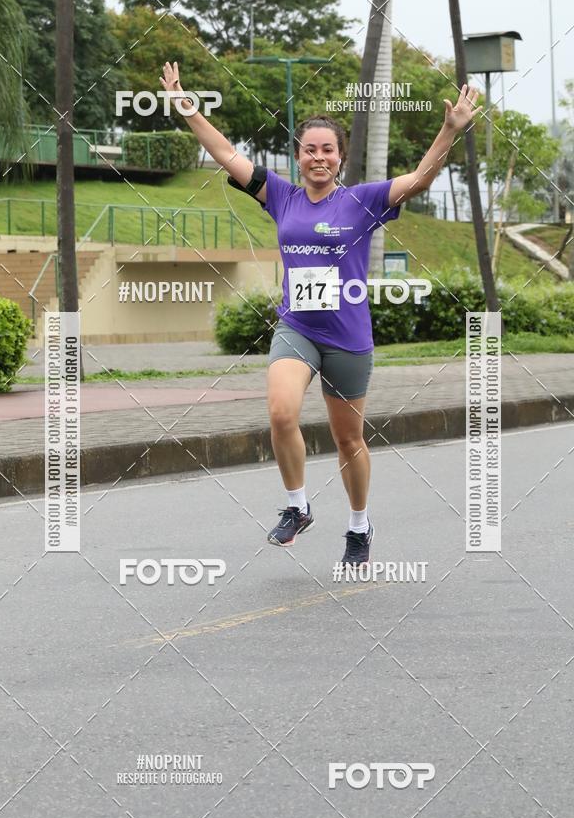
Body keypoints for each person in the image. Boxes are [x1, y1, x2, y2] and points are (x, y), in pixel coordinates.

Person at [160, 61, 481, 566]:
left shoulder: (363, 200)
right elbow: (226, 153)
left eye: (327, 149)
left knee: (347, 437)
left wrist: (449, 128)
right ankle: (297, 506)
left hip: (349, 337)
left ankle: (359, 525)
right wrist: (187, 109)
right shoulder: (281, 196)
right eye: (309, 149)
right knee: (281, 410)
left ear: (340, 157)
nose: (318, 157)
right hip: (298, 328)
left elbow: (420, 179)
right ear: (299, 156)